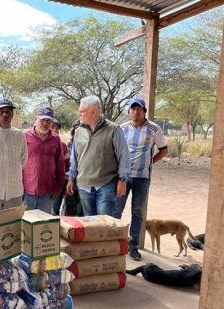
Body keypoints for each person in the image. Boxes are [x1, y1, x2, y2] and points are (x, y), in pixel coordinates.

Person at [114, 96, 168, 261]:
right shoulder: (122, 129)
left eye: (139, 109)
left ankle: (133, 246)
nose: (136, 112)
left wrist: (149, 162)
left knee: (137, 213)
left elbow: (164, 150)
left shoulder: (154, 129)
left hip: (142, 178)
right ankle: (115, 243)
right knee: (116, 210)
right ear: (129, 111)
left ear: (144, 111)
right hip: (124, 177)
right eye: (133, 108)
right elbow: (114, 151)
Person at [66, 95, 130, 217]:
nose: (79, 115)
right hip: (84, 185)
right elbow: (74, 158)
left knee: (104, 223)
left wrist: (122, 180)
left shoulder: (113, 129)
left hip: (106, 184)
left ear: (93, 112)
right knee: (90, 224)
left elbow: (124, 156)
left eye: (82, 112)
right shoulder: (79, 131)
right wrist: (71, 178)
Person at [22, 106, 65, 213]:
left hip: (47, 192)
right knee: (26, 224)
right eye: (42, 120)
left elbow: (60, 166)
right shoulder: (24, 136)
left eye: (48, 121)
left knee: (43, 225)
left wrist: (57, 189)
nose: (45, 123)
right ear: (36, 120)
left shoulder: (56, 139)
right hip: (27, 191)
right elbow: (17, 163)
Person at [50, 118, 70, 215]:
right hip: (45, 184)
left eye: (57, 128)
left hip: (59, 185)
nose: (54, 130)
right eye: (52, 128)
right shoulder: (41, 144)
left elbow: (67, 166)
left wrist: (67, 183)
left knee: (54, 211)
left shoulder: (63, 146)